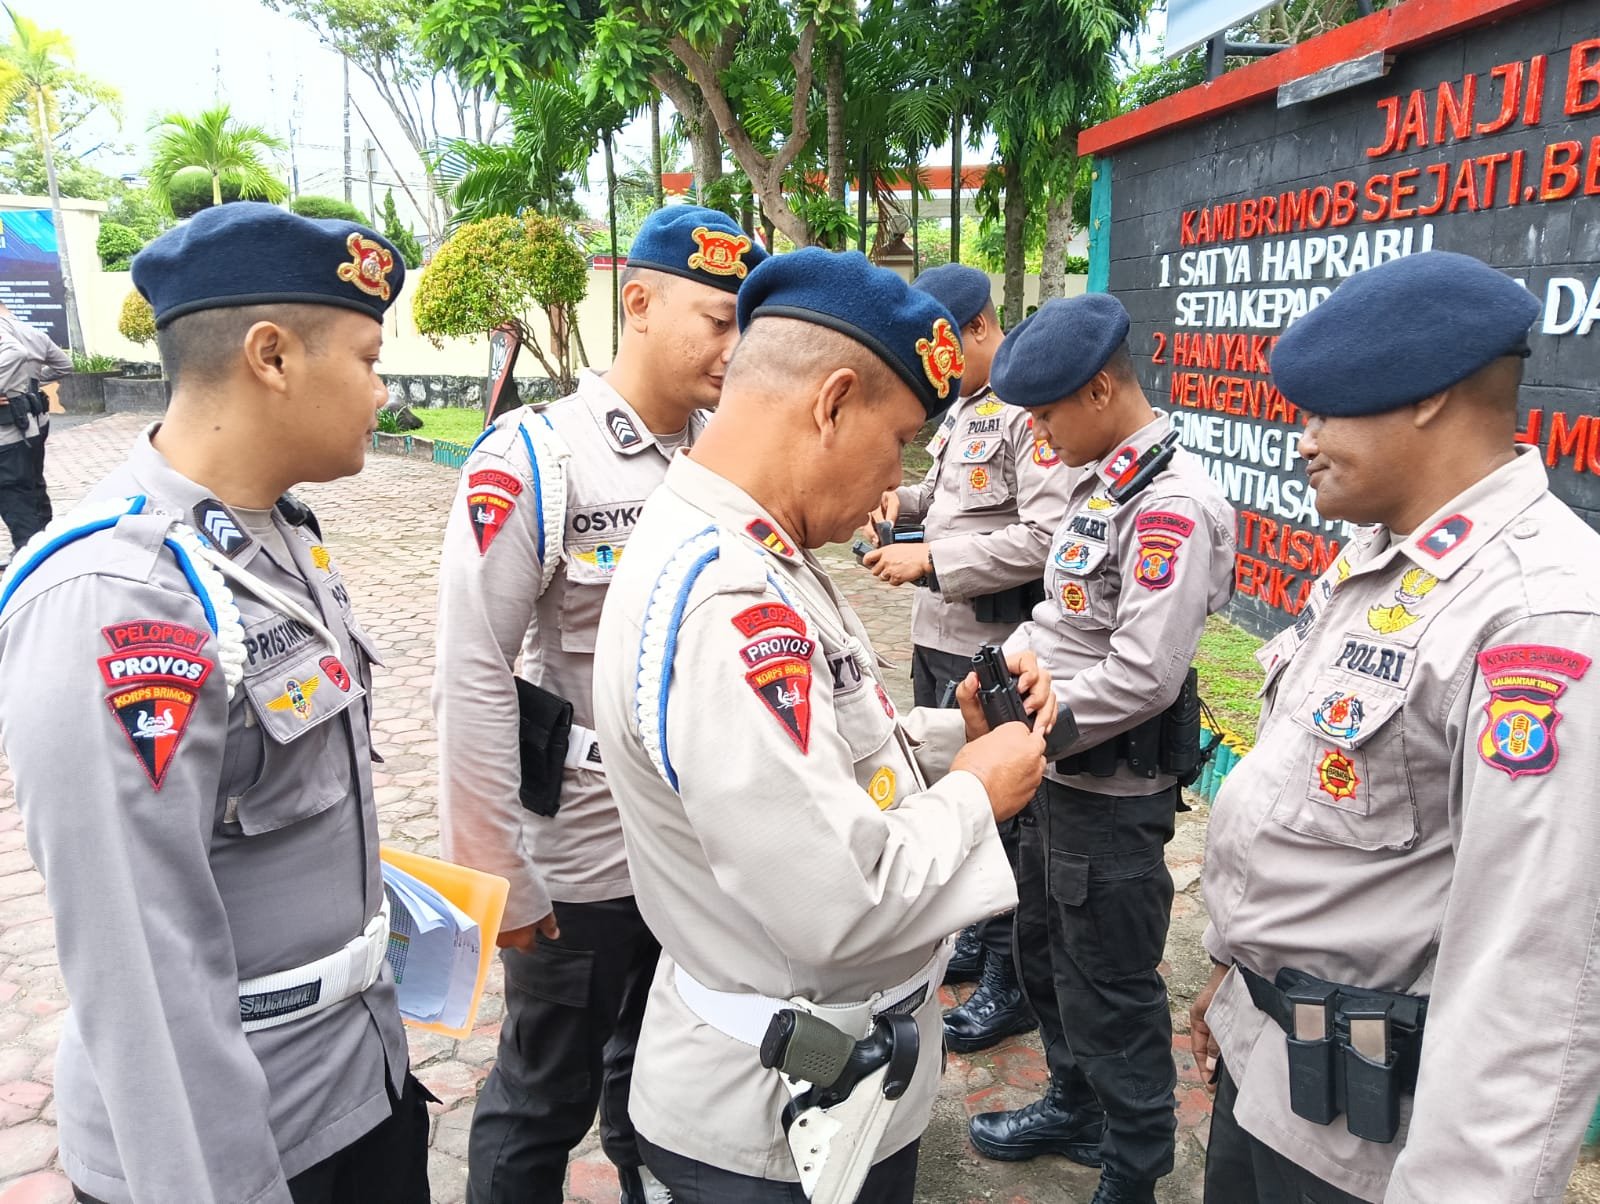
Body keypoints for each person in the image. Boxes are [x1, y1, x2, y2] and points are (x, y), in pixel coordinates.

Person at [589, 248, 1054, 1200]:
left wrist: (949, 738)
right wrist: (977, 792)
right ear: (831, 401)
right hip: (771, 1127)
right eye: (897, 443)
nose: (894, 483)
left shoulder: (753, 548)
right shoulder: (730, 599)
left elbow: (816, 758)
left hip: (823, 1084)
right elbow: (839, 899)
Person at [0, 203, 426, 1203]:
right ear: (271, 357)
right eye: (366, 358)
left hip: (355, 1083)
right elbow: (141, 977)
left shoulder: (277, 533)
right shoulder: (117, 599)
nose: (384, 388)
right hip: (246, 1141)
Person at [1191, 251, 1600, 1203]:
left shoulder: (1539, 617)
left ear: (1428, 397)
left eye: (1328, 410)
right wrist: (1232, 985)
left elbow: (1533, 981)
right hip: (1272, 1070)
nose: (1302, 442)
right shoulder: (1383, 562)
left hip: (1372, 1146)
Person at [433, 204, 767, 1204]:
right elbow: (474, 669)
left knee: (658, 1071)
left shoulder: (728, 455)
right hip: (583, 852)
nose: (736, 345)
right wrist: (492, 872)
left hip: (700, 844)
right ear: (638, 302)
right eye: (717, 319)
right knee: (542, 1093)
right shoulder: (536, 456)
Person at [966, 293, 1237, 1204]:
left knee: (1111, 985)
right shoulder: (1101, 486)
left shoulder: (1172, 507)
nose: (1038, 436)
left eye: (1045, 415)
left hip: (1111, 796)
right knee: (1043, 953)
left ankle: (1134, 1164)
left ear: (1099, 389)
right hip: (1055, 779)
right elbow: (1059, 620)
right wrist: (1005, 665)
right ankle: (1073, 1103)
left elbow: (1145, 673)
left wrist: (1038, 722)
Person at [864, 263, 1072, 1054]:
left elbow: (1046, 536)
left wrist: (934, 563)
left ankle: (1009, 984)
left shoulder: (1026, 408)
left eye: (947, 347)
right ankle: (978, 941)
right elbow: (953, 495)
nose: (937, 367)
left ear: (981, 328)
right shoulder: (964, 409)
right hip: (936, 636)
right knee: (952, 790)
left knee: (1007, 811)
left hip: (987, 644)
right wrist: (901, 502)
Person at [0, 299, 70, 560]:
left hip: (9, 427)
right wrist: (33, 382)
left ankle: (32, 557)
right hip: (33, 421)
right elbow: (64, 365)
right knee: (32, 485)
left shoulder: (6, 335)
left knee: (13, 491)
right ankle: (46, 546)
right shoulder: (33, 333)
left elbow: (13, 352)